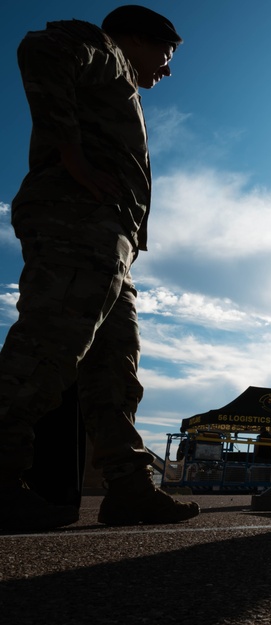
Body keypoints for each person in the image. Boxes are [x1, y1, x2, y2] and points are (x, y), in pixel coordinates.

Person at [0, 5, 198, 531]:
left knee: (115, 371)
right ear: (134, 38)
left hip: (108, 240)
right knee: (47, 347)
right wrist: (74, 158)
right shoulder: (103, 50)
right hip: (76, 223)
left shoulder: (117, 78)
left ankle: (129, 490)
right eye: (166, 52)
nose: (168, 68)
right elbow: (41, 48)